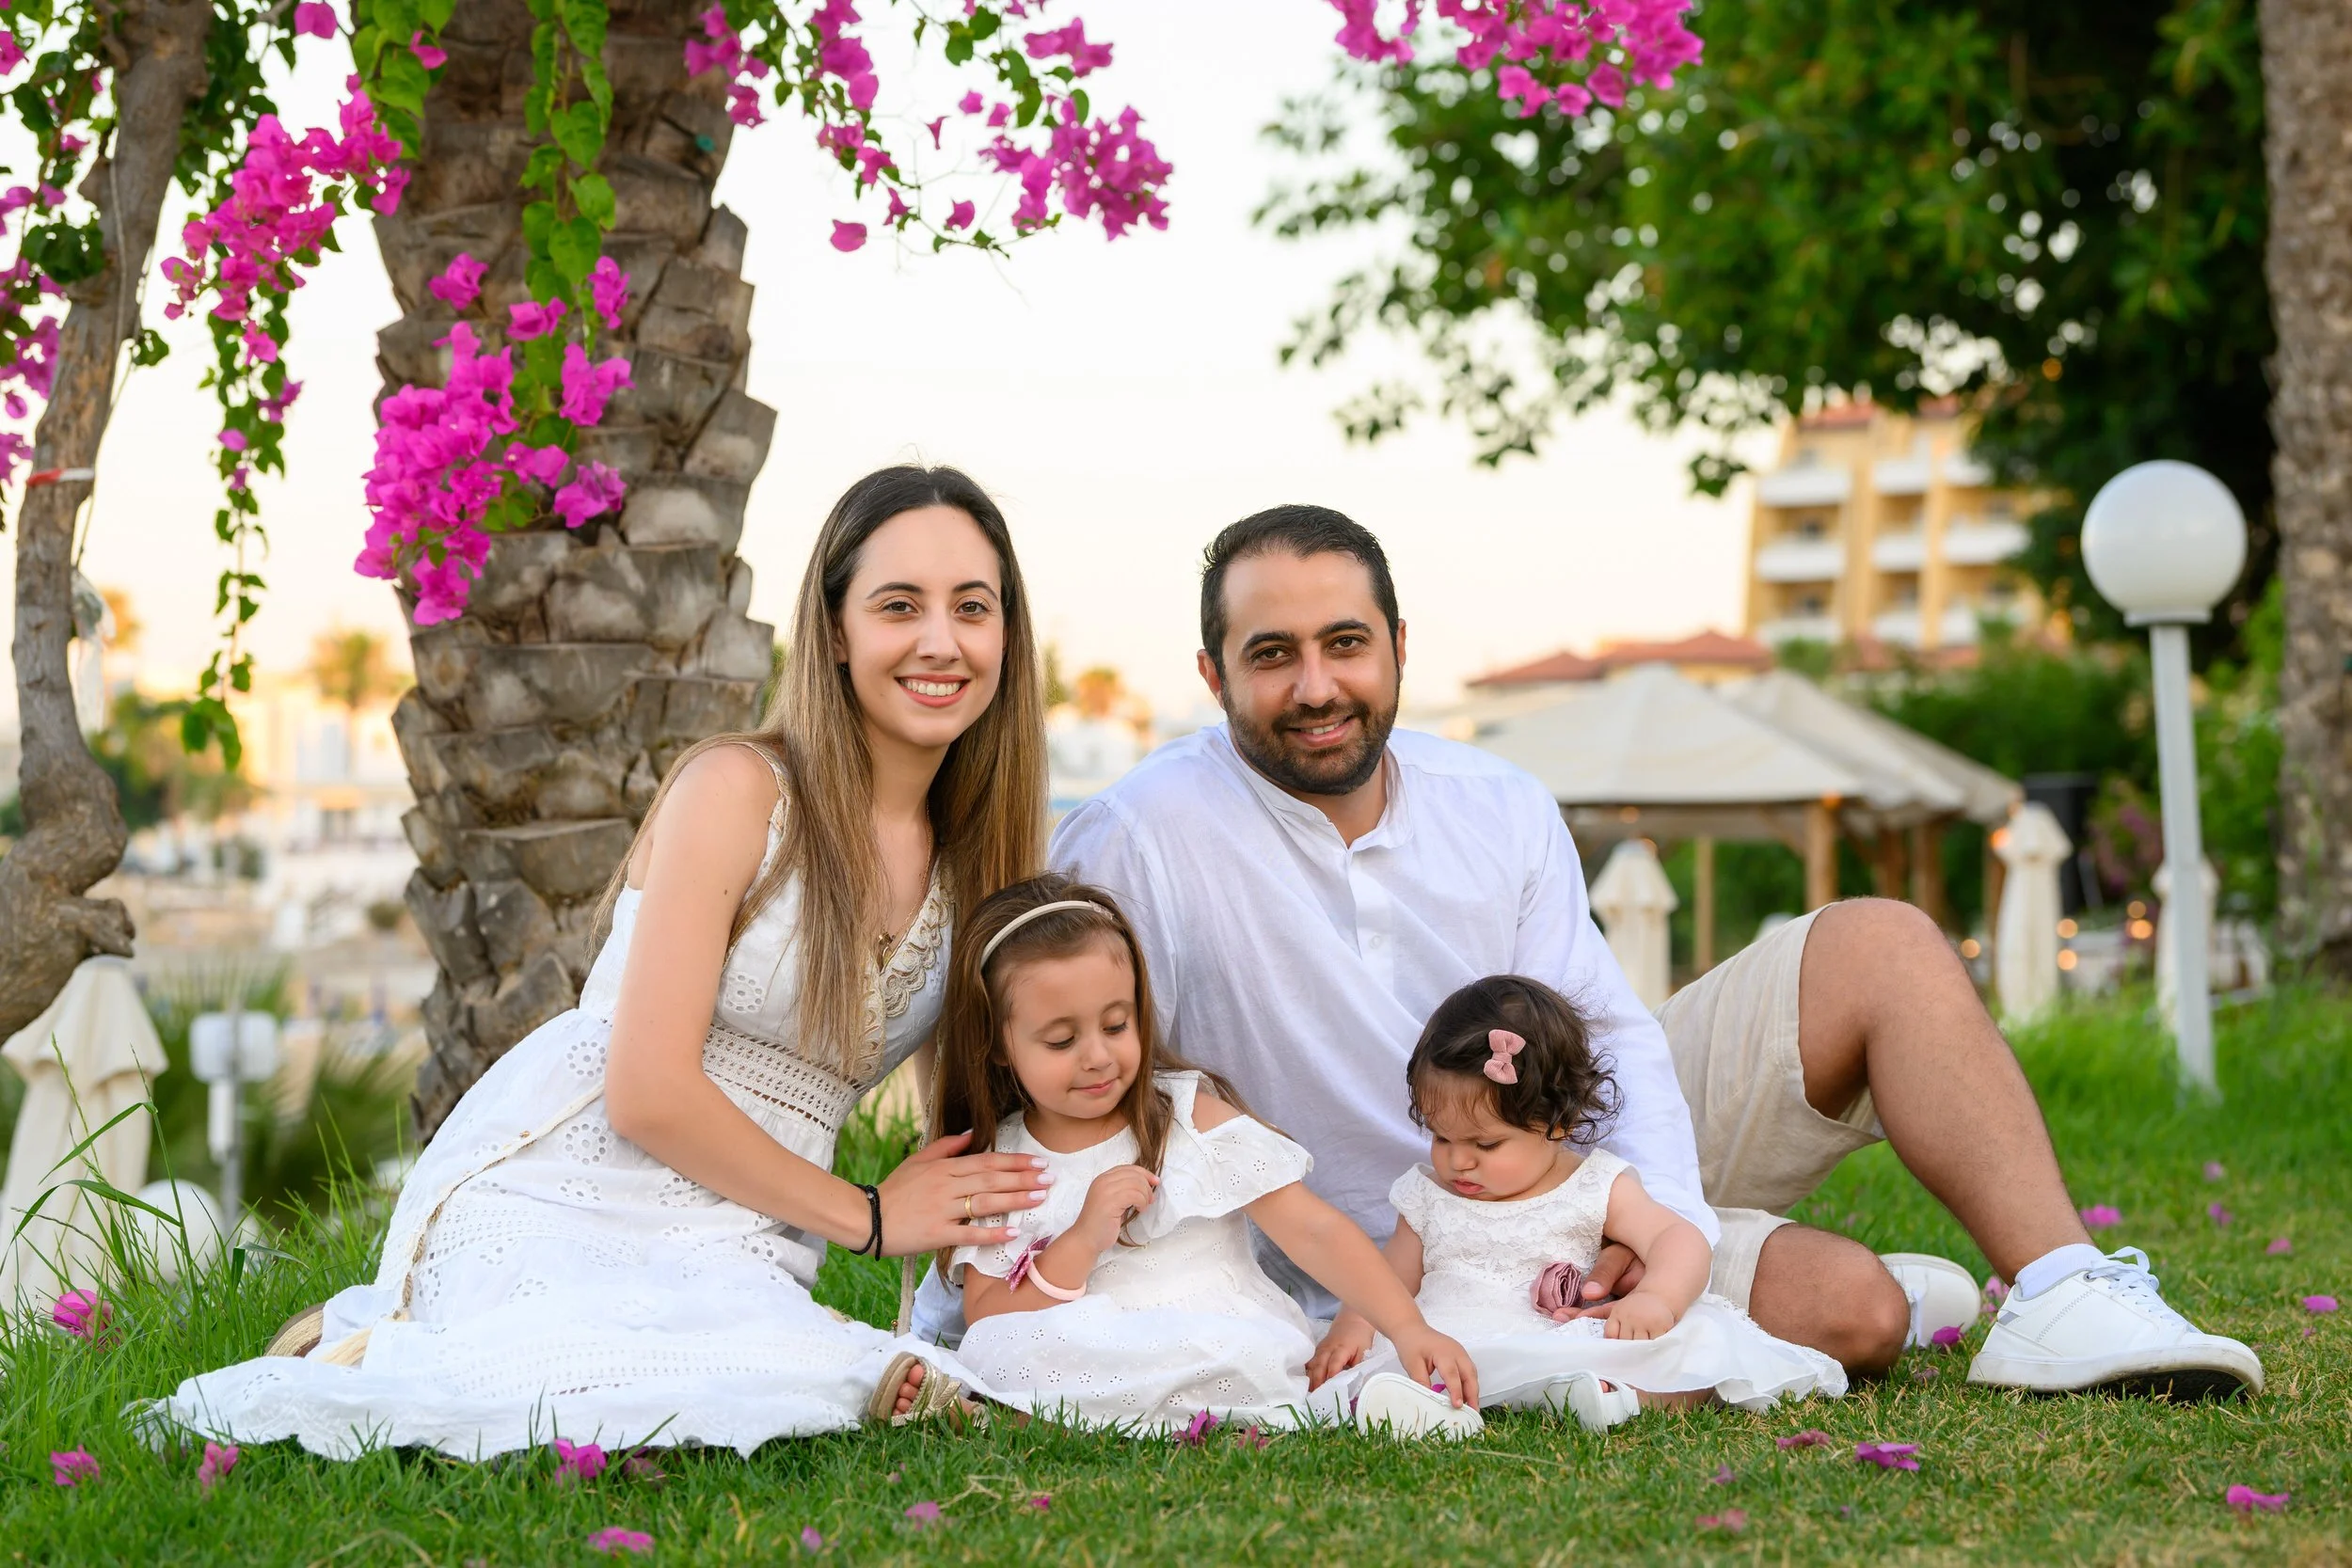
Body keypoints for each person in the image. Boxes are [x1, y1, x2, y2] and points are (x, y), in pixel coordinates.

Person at [1046, 503, 2261, 1399]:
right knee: (1859, 1315)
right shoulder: (1141, 835)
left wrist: (1650, 1216)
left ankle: (2059, 1289)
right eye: (1272, 654)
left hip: (1575, 1169)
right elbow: (1065, 1070)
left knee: (1881, 942)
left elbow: (1608, 1027)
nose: (1317, 684)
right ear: (1213, 674)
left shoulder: (1500, 798)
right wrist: (1000, 1289)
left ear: (1400, 645)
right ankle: (1874, 1278)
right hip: (1382, 1251)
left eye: (1345, 642)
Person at [146, 466, 1058, 1458]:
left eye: (974, 607)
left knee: (751, 1370)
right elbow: (645, 1090)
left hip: (750, 1234)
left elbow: (986, 1107)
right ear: (835, 633)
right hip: (575, 1173)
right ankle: (373, 1332)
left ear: (1006, 635)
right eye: (899, 605)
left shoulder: (980, 856)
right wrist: (871, 1215)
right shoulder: (740, 789)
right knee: (593, 1377)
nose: (942, 640)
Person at [935, 875, 1485, 1438]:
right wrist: (1079, 1241)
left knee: (1228, 1355)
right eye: (1060, 1041)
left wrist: (1408, 1328)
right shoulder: (1003, 1161)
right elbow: (988, 1315)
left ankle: (1075, 1415)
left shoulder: (1188, 1118)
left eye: (1116, 1025)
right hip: (1081, 1339)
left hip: (1210, 1332)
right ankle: (1070, 1412)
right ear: (999, 1045)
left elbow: (1314, 1231)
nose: (1098, 1056)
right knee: (998, 1349)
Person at [1308, 974, 1846, 1430]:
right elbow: (1388, 1279)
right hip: (1458, 1337)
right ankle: (1434, 1411)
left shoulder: (1596, 1184)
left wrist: (1656, 1297)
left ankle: (1614, 1399)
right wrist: (1355, 1326)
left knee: (1687, 1351)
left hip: (1565, 1340)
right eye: (1441, 1138)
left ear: (1558, 1124)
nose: (1457, 1162)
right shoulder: (1428, 1196)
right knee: (1408, 1369)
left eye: (1485, 1144)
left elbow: (1675, 1237)